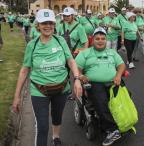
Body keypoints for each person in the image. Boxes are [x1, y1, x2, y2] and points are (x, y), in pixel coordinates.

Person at [12, 9, 83, 146]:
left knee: (57, 117)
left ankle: (56, 137)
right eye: (44, 23)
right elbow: (24, 70)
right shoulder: (32, 45)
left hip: (61, 89)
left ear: (54, 24)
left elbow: (70, 60)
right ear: (38, 25)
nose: (48, 26)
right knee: (43, 126)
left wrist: (77, 79)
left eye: (50, 22)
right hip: (39, 91)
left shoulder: (60, 40)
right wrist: (17, 96)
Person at [75, 27, 126, 146]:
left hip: (113, 82)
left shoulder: (111, 52)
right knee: (101, 102)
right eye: (97, 38)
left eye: (103, 38)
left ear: (106, 40)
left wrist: (118, 75)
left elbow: (121, 65)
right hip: (94, 84)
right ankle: (112, 130)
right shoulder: (85, 53)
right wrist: (81, 76)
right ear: (92, 40)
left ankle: (124, 121)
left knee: (125, 97)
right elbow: (77, 69)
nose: (100, 41)